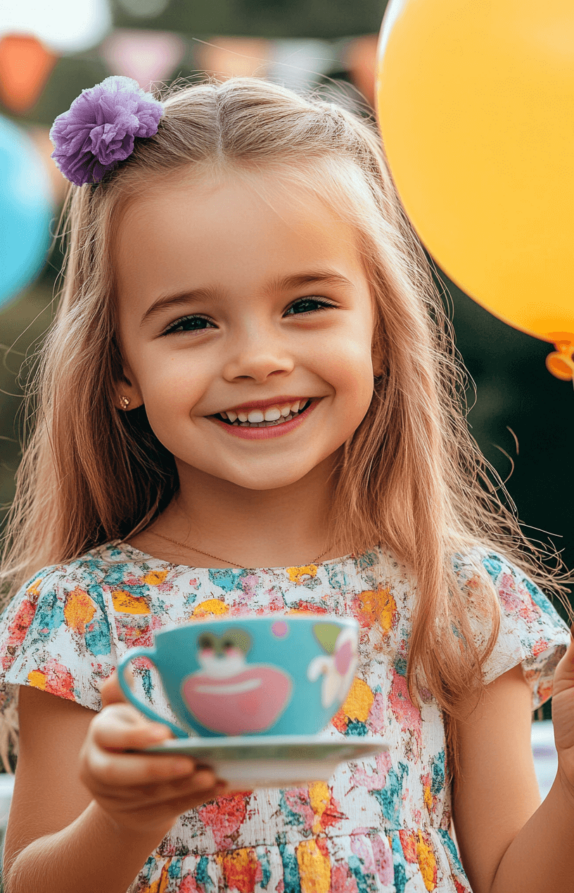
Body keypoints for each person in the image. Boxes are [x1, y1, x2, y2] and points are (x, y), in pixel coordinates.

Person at [0, 74, 571, 893]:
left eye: (306, 304)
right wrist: (121, 820)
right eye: (191, 323)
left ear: (380, 333)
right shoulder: (83, 620)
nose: (258, 359)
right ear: (120, 368)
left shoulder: (463, 605)